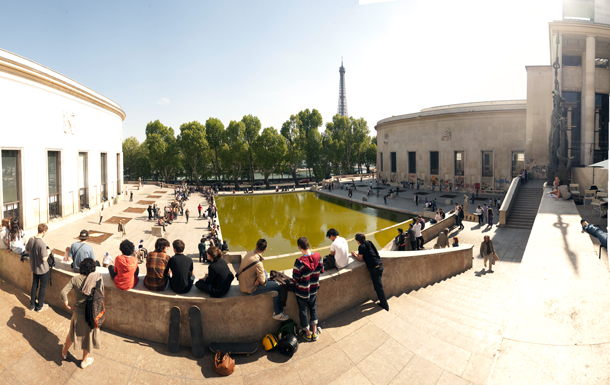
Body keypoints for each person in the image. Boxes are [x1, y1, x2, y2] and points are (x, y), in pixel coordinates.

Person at [60, 258, 101, 369]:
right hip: (91, 315)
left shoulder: (75, 279)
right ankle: (84, 361)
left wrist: (67, 305)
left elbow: (63, 292)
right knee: (88, 337)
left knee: (72, 334)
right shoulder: (97, 280)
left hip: (77, 313)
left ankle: (64, 352)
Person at [238, 239, 288, 321]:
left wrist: (258, 278)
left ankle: (263, 282)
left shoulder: (249, 254)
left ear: (256, 246)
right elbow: (263, 282)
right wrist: (260, 280)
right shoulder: (258, 263)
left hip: (243, 283)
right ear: (265, 249)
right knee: (278, 286)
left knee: (263, 271)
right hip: (250, 289)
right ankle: (277, 313)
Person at [293, 236, 324, 341]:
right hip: (314, 289)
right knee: (313, 308)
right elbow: (322, 270)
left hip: (302, 291)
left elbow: (296, 277)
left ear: (300, 247)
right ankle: (315, 332)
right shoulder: (318, 256)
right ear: (308, 245)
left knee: (303, 310)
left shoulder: (299, 262)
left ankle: (307, 332)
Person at [351, 233, 388, 311]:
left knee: (378, 288)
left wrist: (354, 254)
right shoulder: (369, 242)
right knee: (378, 286)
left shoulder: (361, 247)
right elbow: (372, 253)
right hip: (380, 264)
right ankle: (383, 303)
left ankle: (385, 305)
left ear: (357, 241)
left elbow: (360, 259)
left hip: (374, 268)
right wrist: (358, 254)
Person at [26, 223, 50, 312]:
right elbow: (44, 259)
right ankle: (39, 306)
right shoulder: (42, 244)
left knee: (34, 285)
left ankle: (32, 305)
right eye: (45, 232)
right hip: (43, 269)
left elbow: (26, 250)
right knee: (42, 287)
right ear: (43, 232)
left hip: (34, 267)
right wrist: (49, 253)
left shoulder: (31, 239)